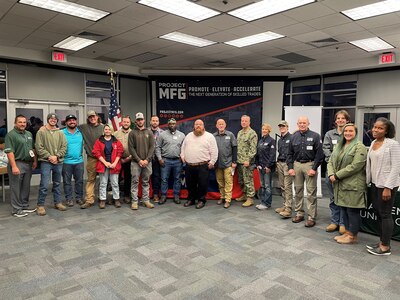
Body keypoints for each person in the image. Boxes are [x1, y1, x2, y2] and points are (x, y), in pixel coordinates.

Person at [327, 123, 367, 244]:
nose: (348, 133)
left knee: (352, 211)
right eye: (346, 131)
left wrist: (337, 175)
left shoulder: (359, 147)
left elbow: (356, 166)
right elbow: (330, 161)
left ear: (355, 133)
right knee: (343, 209)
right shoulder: (340, 146)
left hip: (353, 184)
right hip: (341, 184)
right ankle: (348, 233)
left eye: (351, 131)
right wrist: (330, 174)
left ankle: (352, 236)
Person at [366, 118, 400, 256]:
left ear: (387, 131)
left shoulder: (392, 144)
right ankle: (382, 241)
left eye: (380, 128)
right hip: (375, 183)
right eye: (375, 127)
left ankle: (385, 247)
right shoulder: (374, 142)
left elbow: (396, 166)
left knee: (385, 215)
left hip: (387, 185)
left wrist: (388, 187)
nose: (375, 130)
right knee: (378, 213)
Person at [287, 116, 324, 227]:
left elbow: (319, 154)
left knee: (311, 192)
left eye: (304, 123)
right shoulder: (293, 137)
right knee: (297, 190)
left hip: (310, 165)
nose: (302, 124)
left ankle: (311, 216)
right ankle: (299, 213)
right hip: (297, 165)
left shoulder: (315, 136)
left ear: (308, 124)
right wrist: (290, 167)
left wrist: (314, 168)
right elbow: (289, 154)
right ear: (297, 124)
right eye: (300, 123)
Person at [4, 115, 37, 217]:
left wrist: (35, 161)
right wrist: (14, 166)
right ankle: (16, 210)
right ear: (15, 123)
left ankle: (24, 205)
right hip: (17, 163)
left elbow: (32, 149)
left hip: (28, 163)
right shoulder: (11, 135)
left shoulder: (29, 134)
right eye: (20, 122)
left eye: (24, 122)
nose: (23, 124)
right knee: (16, 187)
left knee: (25, 186)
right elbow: (10, 152)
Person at [181, 119, 218, 209]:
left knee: (202, 184)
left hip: (203, 165)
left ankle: (201, 200)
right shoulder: (188, 136)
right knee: (190, 184)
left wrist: (212, 161)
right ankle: (191, 199)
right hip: (189, 165)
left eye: (200, 124)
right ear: (194, 126)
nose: (198, 126)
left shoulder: (209, 136)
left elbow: (214, 150)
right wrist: (183, 157)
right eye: (196, 124)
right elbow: (183, 147)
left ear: (203, 126)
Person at [323, 110, 350, 234]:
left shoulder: (349, 133)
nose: (340, 120)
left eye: (343, 118)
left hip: (344, 172)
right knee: (333, 198)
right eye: (338, 118)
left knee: (343, 198)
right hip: (331, 170)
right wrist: (334, 162)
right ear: (335, 121)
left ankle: (343, 223)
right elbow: (326, 149)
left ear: (347, 120)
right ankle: (334, 222)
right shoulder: (329, 134)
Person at [35, 113, 67, 216]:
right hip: (46, 162)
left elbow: (64, 146)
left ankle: (58, 203)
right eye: (51, 118)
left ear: (57, 121)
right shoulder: (41, 132)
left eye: (55, 119)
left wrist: (57, 156)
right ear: (48, 120)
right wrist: (50, 156)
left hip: (58, 161)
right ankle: (40, 205)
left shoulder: (60, 133)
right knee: (44, 184)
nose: (53, 120)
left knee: (57, 184)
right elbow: (38, 147)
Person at [128, 112, 155, 210]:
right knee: (134, 181)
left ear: (144, 120)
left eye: (141, 119)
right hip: (136, 162)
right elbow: (131, 148)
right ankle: (134, 202)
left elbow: (152, 147)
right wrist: (139, 160)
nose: (140, 121)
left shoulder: (149, 132)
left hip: (147, 162)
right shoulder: (132, 133)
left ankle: (146, 200)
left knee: (145, 182)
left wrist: (147, 160)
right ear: (136, 121)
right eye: (138, 120)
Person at [92, 125, 124, 209]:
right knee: (103, 183)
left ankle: (116, 199)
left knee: (115, 183)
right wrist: (105, 162)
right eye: (106, 129)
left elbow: (120, 152)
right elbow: (96, 152)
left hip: (114, 164)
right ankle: (102, 199)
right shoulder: (99, 141)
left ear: (112, 130)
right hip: (103, 164)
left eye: (109, 129)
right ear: (103, 131)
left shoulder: (116, 141)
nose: (107, 131)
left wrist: (115, 163)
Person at [156, 118, 185, 205]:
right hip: (165, 160)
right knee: (164, 179)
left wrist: (182, 157)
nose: (172, 125)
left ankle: (176, 196)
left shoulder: (182, 135)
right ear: (167, 125)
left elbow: (185, 148)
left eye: (173, 124)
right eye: (170, 124)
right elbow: (157, 147)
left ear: (176, 124)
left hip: (177, 161)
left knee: (177, 179)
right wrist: (159, 159)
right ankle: (163, 196)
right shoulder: (162, 135)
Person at [79, 110, 105, 209]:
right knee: (91, 179)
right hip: (92, 158)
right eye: (90, 117)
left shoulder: (103, 128)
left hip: (103, 159)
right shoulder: (84, 127)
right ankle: (89, 199)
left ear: (97, 116)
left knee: (104, 179)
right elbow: (70, 127)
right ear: (88, 118)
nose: (92, 118)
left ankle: (102, 198)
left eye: (93, 116)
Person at [213, 119, 237, 209]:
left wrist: (234, 161)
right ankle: (222, 197)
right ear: (217, 125)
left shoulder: (230, 135)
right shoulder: (213, 136)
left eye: (222, 124)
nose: (221, 125)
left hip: (228, 163)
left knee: (228, 182)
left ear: (225, 125)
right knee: (220, 182)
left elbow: (235, 148)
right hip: (217, 164)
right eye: (219, 124)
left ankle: (227, 200)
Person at [62, 114, 84, 207]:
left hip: (79, 161)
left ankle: (79, 198)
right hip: (66, 162)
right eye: (70, 120)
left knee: (79, 181)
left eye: (74, 120)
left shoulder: (81, 132)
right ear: (66, 122)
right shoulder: (61, 132)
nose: (72, 122)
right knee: (67, 182)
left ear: (76, 122)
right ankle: (69, 199)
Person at [236, 115, 258, 207]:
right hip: (239, 161)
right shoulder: (240, 132)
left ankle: (250, 198)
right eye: (242, 121)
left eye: (245, 121)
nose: (243, 122)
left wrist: (248, 160)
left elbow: (253, 149)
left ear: (249, 122)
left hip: (247, 162)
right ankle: (244, 195)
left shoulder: (252, 133)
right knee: (241, 180)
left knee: (248, 180)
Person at [275, 120, 293, 218]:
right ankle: (284, 205)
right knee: (282, 186)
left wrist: (291, 166)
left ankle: (288, 209)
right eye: (280, 126)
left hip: (287, 164)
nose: (282, 127)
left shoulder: (291, 138)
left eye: (283, 126)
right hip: (280, 163)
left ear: (287, 127)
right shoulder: (280, 139)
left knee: (287, 187)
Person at [255, 123, 276, 210]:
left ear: (269, 131)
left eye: (266, 129)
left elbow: (272, 155)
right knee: (262, 185)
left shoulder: (271, 141)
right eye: (263, 129)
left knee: (267, 186)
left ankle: (267, 204)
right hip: (261, 167)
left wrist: (268, 166)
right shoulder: (260, 141)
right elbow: (258, 154)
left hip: (268, 168)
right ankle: (262, 202)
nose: (264, 130)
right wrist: (257, 164)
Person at [114, 115, 133, 204]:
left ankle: (126, 195)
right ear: (121, 122)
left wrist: (128, 158)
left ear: (130, 123)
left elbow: (135, 148)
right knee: (116, 179)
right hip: (118, 160)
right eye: (124, 122)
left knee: (128, 178)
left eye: (127, 122)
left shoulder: (133, 133)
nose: (126, 123)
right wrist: (118, 158)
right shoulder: (116, 134)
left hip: (129, 159)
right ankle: (116, 196)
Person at [149, 115, 163, 203]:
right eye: (153, 120)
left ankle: (155, 194)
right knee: (146, 177)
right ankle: (145, 195)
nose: (155, 122)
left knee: (157, 177)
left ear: (158, 122)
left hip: (158, 159)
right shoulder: (145, 131)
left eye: (156, 121)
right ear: (150, 122)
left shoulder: (163, 133)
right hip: (147, 159)